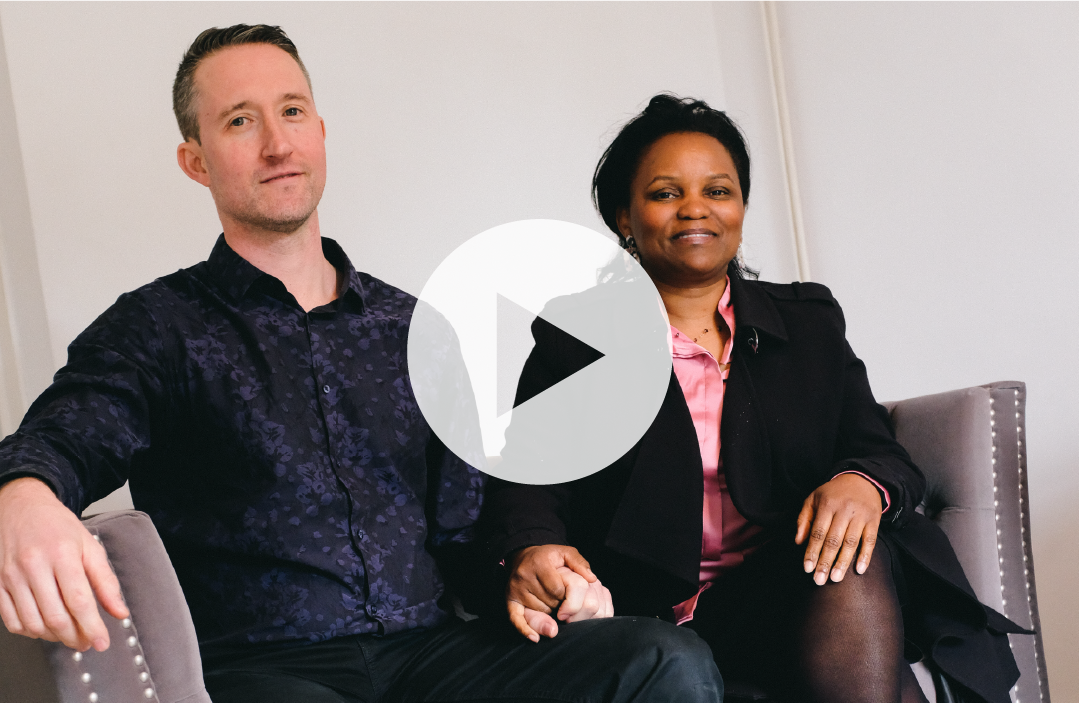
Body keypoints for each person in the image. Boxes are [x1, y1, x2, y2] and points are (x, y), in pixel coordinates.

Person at [0, 29, 724, 702]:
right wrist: (24, 496)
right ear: (196, 160)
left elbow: (467, 531)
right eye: (241, 121)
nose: (277, 143)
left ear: (320, 131)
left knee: (664, 659)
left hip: (432, 655)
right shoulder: (157, 326)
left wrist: (525, 568)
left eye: (292, 111)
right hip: (260, 668)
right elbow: (66, 434)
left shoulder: (413, 327)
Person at [480, 94, 1028, 703]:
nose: (696, 209)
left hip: (789, 595)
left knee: (848, 561)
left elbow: (879, 450)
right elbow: (526, 484)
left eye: (718, 191)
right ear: (624, 218)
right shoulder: (577, 340)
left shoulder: (809, 323)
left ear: (741, 207)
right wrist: (534, 547)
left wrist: (862, 481)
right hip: (646, 614)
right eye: (665, 193)